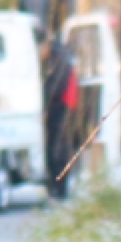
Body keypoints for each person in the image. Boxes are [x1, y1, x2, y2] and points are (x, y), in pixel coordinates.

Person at [40, 25, 79, 200]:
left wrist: (46, 100)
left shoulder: (58, 62)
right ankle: (56, 184)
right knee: (56, 147)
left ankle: (59, 185)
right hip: (61, 107)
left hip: (62, 108)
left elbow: (57, 87)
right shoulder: (59, 59)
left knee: (58, 148)